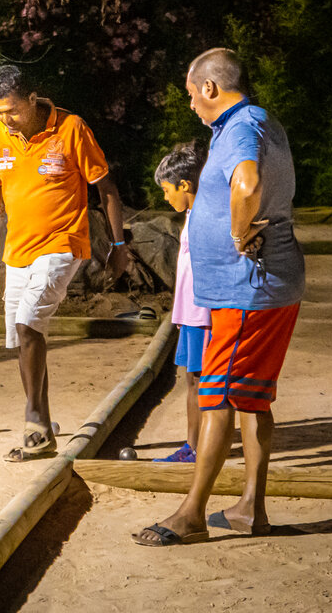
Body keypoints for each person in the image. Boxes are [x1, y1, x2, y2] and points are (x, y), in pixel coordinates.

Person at [134, 48, 305, 546]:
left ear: (210, 87)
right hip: (269, 284)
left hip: (246, 289)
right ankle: (251, 509)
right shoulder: (263, 121)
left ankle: (191, 514)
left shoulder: (240, 128)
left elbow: (247, 183)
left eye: (192, 94)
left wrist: (237, 233)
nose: (191, 104)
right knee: (252, 397)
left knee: (217, 396)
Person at [0, 64, 130, 462]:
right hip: (17, 251)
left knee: (28, 324)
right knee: (24, 337)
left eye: (12, 110)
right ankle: (39, 429)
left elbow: (106, 188)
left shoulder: (71, 129)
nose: (5, 119)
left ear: (31, 99)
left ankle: (35, 420)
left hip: (63, 243)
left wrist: (118, 244)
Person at [151, 142, 211, 464]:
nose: (165, 197)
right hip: (189, 315)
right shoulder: (190, 214)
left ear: (185, 185)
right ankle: (192, 446)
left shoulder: (206, 216)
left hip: (204, 315)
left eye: (166, 190)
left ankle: (200, 449)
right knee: (191, 379)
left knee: (202, 381)